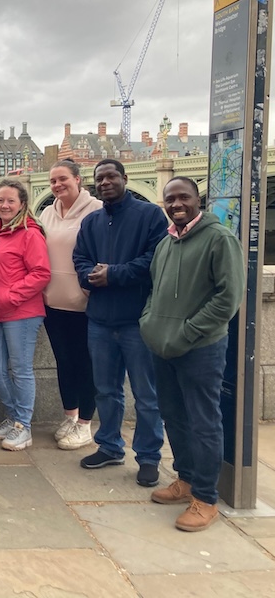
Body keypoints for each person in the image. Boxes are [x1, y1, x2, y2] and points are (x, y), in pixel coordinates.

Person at [140, 176, 244, 532]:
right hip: (163, 345)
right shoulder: (167, 242)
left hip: (200, 348)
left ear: (198, 200)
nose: (176, 204)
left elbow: (228, 299)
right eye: (170, 199)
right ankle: (184, 480)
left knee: (203, 421)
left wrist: (187, 332)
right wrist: (149, 323)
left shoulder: (220, 239)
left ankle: (205, 497)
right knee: (173, 415)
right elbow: (155, 289)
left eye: (183, 197)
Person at [73, 158, 168, 487]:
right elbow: (79, 258)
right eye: (99, 179)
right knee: (106, 391)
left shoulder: (150, 215)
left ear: (124, 179)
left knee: (146, 394)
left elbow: (155, 258)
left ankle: (149, 457)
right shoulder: (92, 221)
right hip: (99, 320)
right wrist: (89, 274)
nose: (105, 183)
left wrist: (113, 274)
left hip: (137, 321)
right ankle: (110, 446)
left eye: (111, 176)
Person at [0, 179, 50, 451]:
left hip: (22, 313)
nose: (4, 205)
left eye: (10, 201)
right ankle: (13, 416)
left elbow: (41, 273)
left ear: (22, 204)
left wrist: (11, 296)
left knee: (20, 370)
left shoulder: (30, 234)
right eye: (0, 200)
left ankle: (24, 426)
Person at [39, 159, 102, 450]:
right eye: (52, 181)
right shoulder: (47, 214)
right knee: (63, 362)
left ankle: (86, 424)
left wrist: (89, 289)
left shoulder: (97, 211)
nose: (57, 185)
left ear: (78, 179)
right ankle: (70, 415)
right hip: (52, 302)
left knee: (86, 364)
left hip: (84, 303)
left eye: (62, 179)